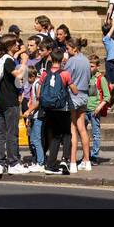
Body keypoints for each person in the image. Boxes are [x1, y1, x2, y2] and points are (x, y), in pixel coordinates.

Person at [0, 35, 28, 175]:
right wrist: (24, 62)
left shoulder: (4, 59)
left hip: (1, 100)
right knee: (12, 132)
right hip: (9, 100)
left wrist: (18, 56)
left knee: (0, 132)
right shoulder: (8, 61)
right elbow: (18, 75)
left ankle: (0, 162)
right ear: (9, 46)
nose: (18, 45)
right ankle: (13, 163)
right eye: (16, 43)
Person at [39, 46, 73, 174]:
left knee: (53, 136)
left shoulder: (44, 73)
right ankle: (64, 159)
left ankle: (51, 163)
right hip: (62, 108)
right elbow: (74, 89)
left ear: (51, 58)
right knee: (67, 133)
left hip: (48, 108)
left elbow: (39, 93)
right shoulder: (65, 74)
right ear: (62, 59)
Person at [64, 37, 92, 172]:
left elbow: (66, 77)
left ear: (74, 49)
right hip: (84, 94)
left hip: (73, 94)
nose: (66, 51)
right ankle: (87, 161)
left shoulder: (72, 61)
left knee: (73, 128)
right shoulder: (86, 60)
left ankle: (73, 162)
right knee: (82, 128)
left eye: (68, 48)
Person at [86, 51, 108, 164]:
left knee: (95, 133)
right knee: (82, 133)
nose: (89, 68)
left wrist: (99, 107)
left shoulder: (101, 79)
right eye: (88, 66)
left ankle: (94, 156)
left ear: (97, 66)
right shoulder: (86, 77)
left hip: (94, 109)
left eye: (92, 66)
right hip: (84, 109)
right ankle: (86, 156)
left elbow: (107, 96)